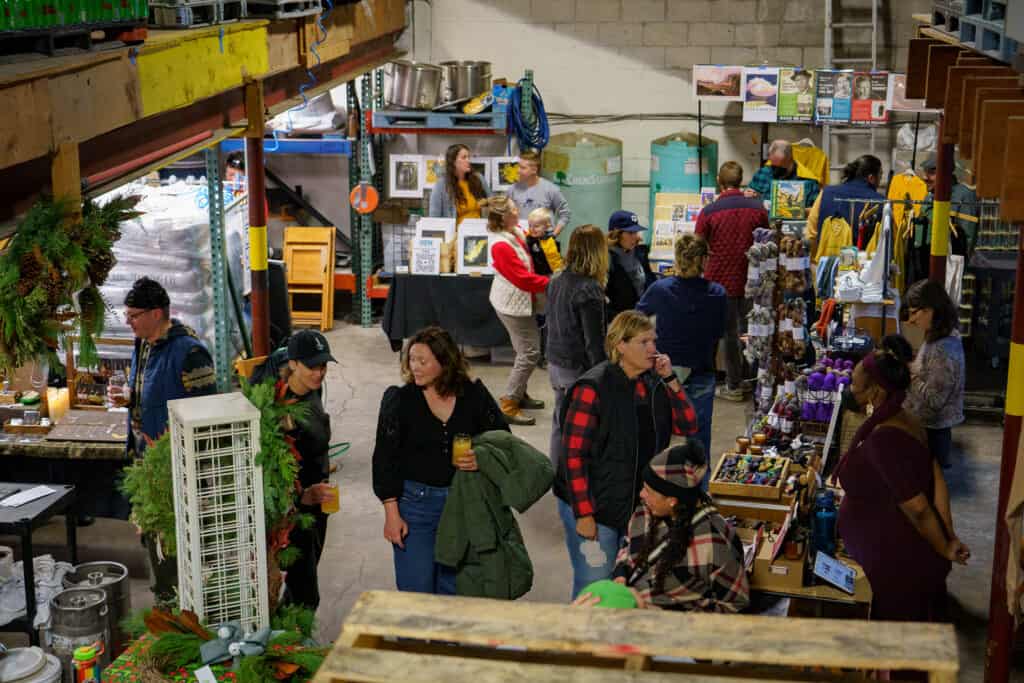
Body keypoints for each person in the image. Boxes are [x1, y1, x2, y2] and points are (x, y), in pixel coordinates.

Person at [552, 311, 699, 599]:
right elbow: (573, 456)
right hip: (596, 507)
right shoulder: (592, 388)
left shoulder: (652, 384)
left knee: (624, 583)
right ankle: (579, 642)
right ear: (620, 345)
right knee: (594, 585)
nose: (652, 349)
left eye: (653, 341)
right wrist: (584, 514)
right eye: (644, 342)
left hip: (633, 506)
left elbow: (688, 424)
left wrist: (670, 379)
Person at [835, 335, 969, 623]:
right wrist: (948, 532)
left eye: (855, 387)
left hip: (896, 563)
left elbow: (919, 508)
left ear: (875, 392)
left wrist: (944, 545)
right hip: (899, 549)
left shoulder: (884, 440)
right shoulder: (905, 417)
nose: (850, 389)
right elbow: (936, 477)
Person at [372, 326, 509, 595]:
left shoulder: (473, 395)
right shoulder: (400, 400)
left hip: (462, 502)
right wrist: (391, 513)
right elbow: (384, 458)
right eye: (411, 359)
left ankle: (449, 639)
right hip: (415, 505)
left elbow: (502, 438)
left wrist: (479, 457)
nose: (415, 367)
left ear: (445, 362)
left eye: (423, 361)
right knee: (416, 588)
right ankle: (416, 639)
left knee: (455, 588)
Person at [118, 276, 217, 601]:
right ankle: (165, 597)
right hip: (147, 462)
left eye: (133, 315)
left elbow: (207, 414)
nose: (128, 322)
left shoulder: (190, 353)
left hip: (177, 467)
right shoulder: (144, 344)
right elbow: (151, 392)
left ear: (156, 313)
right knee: (151, 536)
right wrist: (129, 398)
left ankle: (181, 604)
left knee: (175, 540)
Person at [574, 441, 749, 612]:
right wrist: (622, 572)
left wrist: (664, 614)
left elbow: (735, 605)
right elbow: (628, 545)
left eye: (649, 491)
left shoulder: (716, 541)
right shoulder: (646, 510)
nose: (641, 495)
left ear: (672, 500)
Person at [637, 235, 726, 485]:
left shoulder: (660, 289)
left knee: (658, 436)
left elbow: (635, 318)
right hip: (700, 371)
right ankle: (699, 495)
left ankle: (657, 490)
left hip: (663, 372)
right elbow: (719, 333)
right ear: (704, 260)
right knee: (699, 440)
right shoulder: (717, 294)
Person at [695, 161, 769, 402]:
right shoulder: (758, 209)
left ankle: (733, 384)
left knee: (728, 333)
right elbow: (767, 242)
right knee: (751, 330)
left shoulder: (709, 211)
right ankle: (751, 381)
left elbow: (697, 245)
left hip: (719, 281)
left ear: (719, 181)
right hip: (752, 279)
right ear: (741, 180)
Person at [277, 330, 338, 609]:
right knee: (305, 594)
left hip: (318, 500)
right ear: (293, 364)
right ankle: (290, 646)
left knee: (302, 581)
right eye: (312, 366)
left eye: (323, 365)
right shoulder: (276, 406)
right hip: (293, 510)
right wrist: (301, 497)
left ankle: (286, 641)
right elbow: (269, 472)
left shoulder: (314, 388)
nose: (319, 372)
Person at [545, 224, 609, 468]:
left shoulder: (556, 280)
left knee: (560, 424)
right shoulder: (590, 289)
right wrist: (604, 377)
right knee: (582, 432)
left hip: (555, 362)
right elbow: (594, 343)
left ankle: (558, 475)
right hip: (577, 369)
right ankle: (574, 479)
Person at [487, 195, 550, 426]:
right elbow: (522, 279)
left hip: (519, 302)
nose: (519, 211)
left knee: (525, 350)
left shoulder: (514, 232)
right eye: (514, 209)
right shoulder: (501, 245)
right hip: (512, 305)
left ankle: (520, 393)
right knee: (530, 352)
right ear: (504, 217)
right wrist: (551, 282)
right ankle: (509, 401)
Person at [903, 279, 965, 470]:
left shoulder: (943, 348)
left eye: (915, 313)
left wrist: (909, 374)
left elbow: (935, 399)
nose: (911, 320)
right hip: (928, 428)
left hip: (932, 432)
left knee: (928, 488)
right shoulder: (937, 337)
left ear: (931, 310)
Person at [806, 154, 885, 252]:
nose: (879, 182)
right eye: (880, 177)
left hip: (828, 260)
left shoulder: (825, 193)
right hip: (865, 263)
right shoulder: (881, 202)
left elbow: (811, 234)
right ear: (871, 178)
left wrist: (817, 262)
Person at [524, 207, 563, 366]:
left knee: (546, 318)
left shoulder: (549, 242)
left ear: (547, 226)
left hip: (547, 281)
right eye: (531, 225)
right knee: (537, 318)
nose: (533, 229)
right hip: (533, 282)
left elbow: (555, 263)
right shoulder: (527, 239)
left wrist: (558, 278)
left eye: (537, 226)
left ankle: (545, 355)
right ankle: (539, 352)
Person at [506, 150, 572, 237]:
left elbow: (565, 213)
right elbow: (507, 215)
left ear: (534, 169)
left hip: (545, 244)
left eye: (523, 168)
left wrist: (553, 235)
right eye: (519, 167)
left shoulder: (551, 189)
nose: (518, 171)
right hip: (521, 240)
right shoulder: (512, 190)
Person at [606, 210, 656, 319]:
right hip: (620, 321)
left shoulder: (640, 252)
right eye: (630, 233)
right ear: (616, 234)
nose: (635, 237)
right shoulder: (606, 258)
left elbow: (650, 281)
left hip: (642, 316)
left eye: (636, 232)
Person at [746, 140, 821, 208]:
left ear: (790, 159)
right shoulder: (764, 173)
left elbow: (816, 210)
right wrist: (748, 193)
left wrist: (799, 211)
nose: (775, 171)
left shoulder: (809, 180)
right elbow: (749, 192)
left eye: (780, 167)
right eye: (773, 166)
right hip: (764, 220)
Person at [428, 144, 490, 225]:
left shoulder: (479, 178)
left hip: (480, 233)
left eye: (468, 157)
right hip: (455, 235)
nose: (468, 160)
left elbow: (493, 203)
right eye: (464, 157)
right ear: (453, 161)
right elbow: (434, 218)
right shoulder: (441, 185)